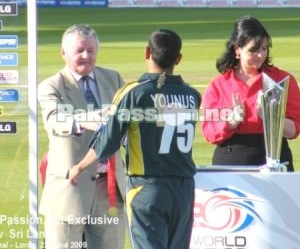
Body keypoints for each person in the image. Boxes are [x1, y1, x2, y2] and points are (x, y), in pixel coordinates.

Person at [68, 28, 202, 249]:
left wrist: (79, 167)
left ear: (147, 52)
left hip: (147, 187)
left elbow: (108, 141)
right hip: (184, 189)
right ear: (178, 58)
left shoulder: (134, 92)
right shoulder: (192, 95)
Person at [38, 24, 126, 249]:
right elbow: (54, 121)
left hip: (109, 190)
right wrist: (89, 119)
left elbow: (127, 122)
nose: (86, 56)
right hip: (70, 190)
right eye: (79, 51)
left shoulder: (114, 78)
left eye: (91, 50)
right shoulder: (51, 86)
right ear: (63, 53)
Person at [201, 15, 300, 171]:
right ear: (237, 50)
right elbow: (209, 132)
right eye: (253, 50)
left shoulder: (283, 80)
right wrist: (231, 122)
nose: (260, 54)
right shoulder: (218, 85)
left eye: (264, 48)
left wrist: (270, 116)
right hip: (230, 163)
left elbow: (293, 130)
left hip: (274, 160)